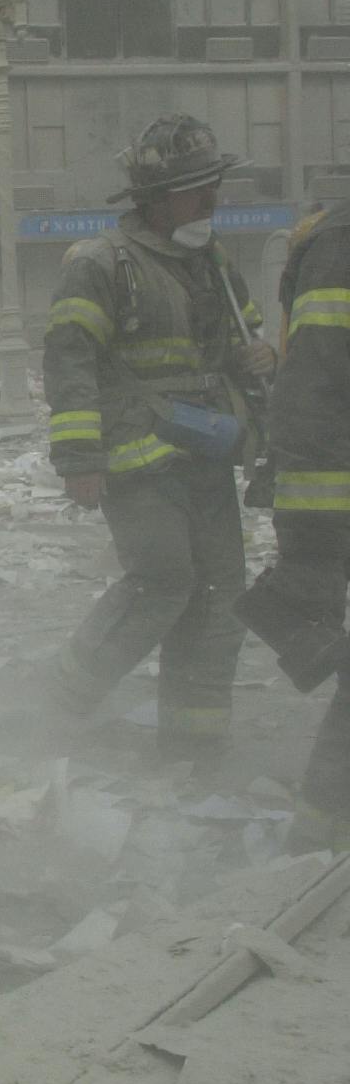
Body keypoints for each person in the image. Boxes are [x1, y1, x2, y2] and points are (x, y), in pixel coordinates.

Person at [42, 115, 277, 757]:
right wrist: (79, 459)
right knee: (164, 582)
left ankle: (192, 738)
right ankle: (59, 704)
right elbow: (70, 362)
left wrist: (261, 358)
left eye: (214, 185)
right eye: (198, 188)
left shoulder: (214, 263)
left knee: (219, 592)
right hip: (135, 462)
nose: (211, 200)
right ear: (154, 198)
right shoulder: (101, 264)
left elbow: (239, 342)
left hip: (207, 456)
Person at [235, 199, 350, 849]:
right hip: (332, 490)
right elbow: (316, 383)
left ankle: (323, 827)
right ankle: (322, 834)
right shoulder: (341, 246)